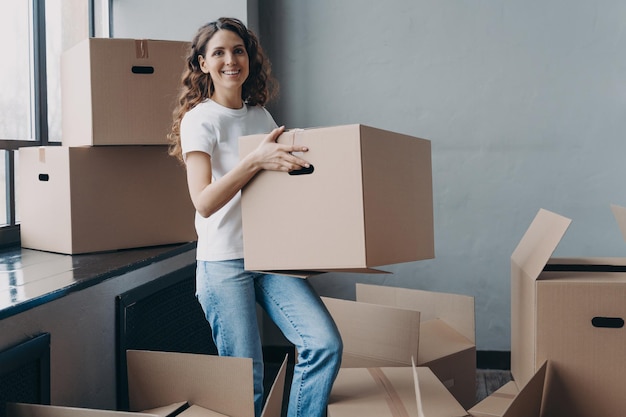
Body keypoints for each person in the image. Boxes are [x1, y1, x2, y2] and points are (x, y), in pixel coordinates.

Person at [168, 17, 343, 417]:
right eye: (219, 53)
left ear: (249, 58)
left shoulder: (260, 116)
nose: (231, 59)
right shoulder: (200, 119)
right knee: (248, 385)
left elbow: (275, 193)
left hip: (269, 259)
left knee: (324, 344)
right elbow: (204, 201)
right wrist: (256, 160)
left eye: (239, 50)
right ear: (202, 64)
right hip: (223, 263)